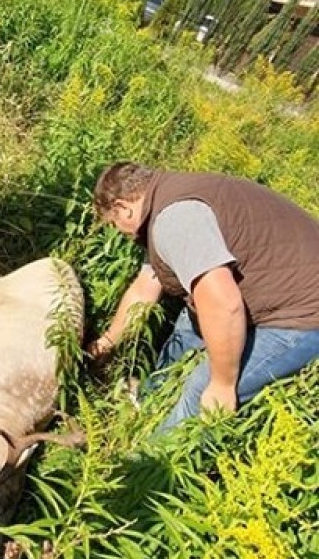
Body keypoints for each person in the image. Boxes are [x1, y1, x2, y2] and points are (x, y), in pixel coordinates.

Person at [87, 162, 319, 432]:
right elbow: (144, 288)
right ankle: (147, 404)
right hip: (278, 288)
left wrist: (222, 384)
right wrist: (105, 343)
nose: (120, 233)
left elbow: (223, 304)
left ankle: (149, 461)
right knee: (188, 327)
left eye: (114, 224)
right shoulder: (169, 200)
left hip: (303, 315)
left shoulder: (176, 219)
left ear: (123, 207)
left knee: (203, 391)